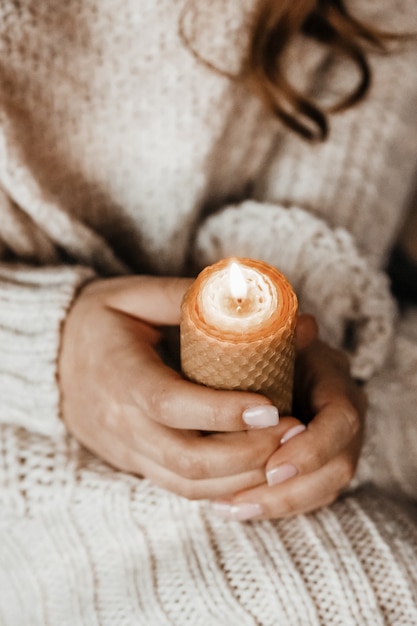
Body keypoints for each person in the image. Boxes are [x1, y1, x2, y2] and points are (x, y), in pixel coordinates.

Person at [0, 0, 416, 624]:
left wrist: (298, 326)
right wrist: (46, 349)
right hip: (20, 420)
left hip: (322, 351)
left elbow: (383, 41)